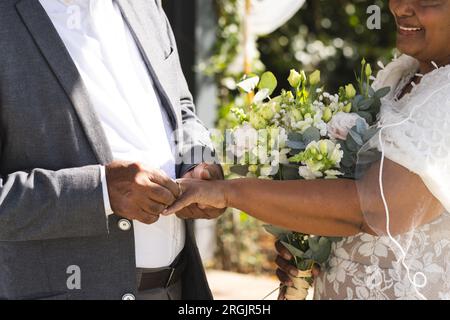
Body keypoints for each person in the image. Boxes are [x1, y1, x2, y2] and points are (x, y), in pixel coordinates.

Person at [164, 0, 450, 299]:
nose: (402, 7)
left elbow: (376, 209)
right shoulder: (399, 74)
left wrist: (229, 192)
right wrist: (313, 248)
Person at [0, 0, 223, 300]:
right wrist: (101, 192)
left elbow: (181, 110)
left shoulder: (144, 5)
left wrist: (198, 164)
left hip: (181, 286)